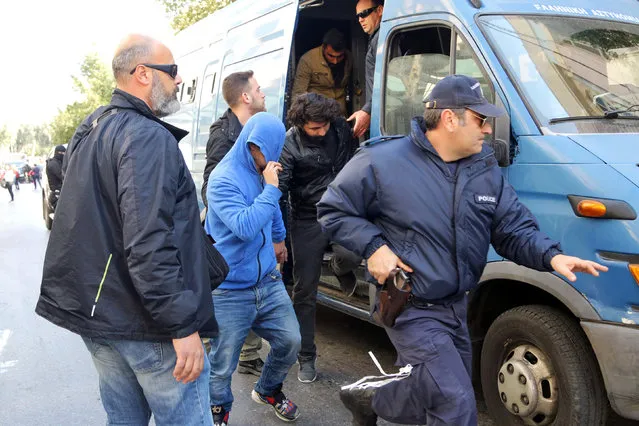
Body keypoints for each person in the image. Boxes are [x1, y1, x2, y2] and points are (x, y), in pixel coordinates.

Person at [317, 75, 608, 426]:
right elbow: (333, 210)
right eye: (480, 119)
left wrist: (551, 256)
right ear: (450, 119)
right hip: (412, 308)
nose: (487, 129)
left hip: (458, 307)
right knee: (455, 406)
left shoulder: (483, 171)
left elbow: (512, 230)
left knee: (433, 393)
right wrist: (374, 246)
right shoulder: (383, 161)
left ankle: (371, 398)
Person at [36, 34, 218, 425]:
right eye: (171, 72)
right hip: (146, 325)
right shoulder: (146, 136)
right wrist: (182, 325)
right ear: (142, 74)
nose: (179, 79)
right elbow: (148, 240)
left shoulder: (94, 125)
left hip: (103, 318)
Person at [205, 112, 302, 425]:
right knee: (222, 366)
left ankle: (268, 389)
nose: (258, 156)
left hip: (267, 281)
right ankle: (218, 413)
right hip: (230, 288)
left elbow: (271, 209)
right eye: (253, 148)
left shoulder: (264, 170)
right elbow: (245, 227)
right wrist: (272, 188)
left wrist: (278, 238)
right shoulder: (223, 180)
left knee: (290, 341)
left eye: (264, 149)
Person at [279, 93, 362, 383]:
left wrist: (363, 111)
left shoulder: (339, 127)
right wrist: (279, 237)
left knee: (354, 253)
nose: (322, 131)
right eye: (315, 128)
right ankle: (306, 356)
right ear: (301, 124)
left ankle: (339, 268)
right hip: (306, 217)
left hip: (341, 210)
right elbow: (280, 189)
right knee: (304, 291)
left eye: (325, 125)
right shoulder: (289, 143)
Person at [201, 70, 267, 377]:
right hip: (232, 229)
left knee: (254, 284)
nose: (263, 92)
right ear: (245, 97)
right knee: (233, 290)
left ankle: (248, 353)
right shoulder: (223, 134)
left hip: (254, 224)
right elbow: (211, 186)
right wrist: (235, 215)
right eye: (258, 88)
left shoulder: (255, 130)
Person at [291, 28, 353, 115]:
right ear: (323, 47)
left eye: (339, 57)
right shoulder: (308, 60)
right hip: (317, 114)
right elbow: (298, 93)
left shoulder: (349, 58)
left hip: (340, 113)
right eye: (331, 56)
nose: (335, 61)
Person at [348, 0, 384, 138]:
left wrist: (367, 110)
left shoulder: (383, 38)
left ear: (379, 10)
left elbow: (388, 82)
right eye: (358, 16)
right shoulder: (375, 38)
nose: (360, 19)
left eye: (364, 13)